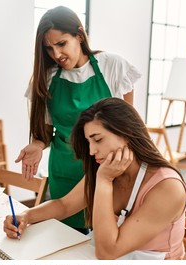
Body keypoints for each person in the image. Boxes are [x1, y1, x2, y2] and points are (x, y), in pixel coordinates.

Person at [5, 98, 186, 260]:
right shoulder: (107, 169)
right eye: (89, 142)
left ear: (126, 134)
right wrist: (26, 216)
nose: (92, 151)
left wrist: (104, 182)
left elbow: (107, 252)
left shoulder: (168, 188)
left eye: (98, 140)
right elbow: (65, 205)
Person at [15, 6, 141, 233]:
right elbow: (44, 132)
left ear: (79, 35)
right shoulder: (47, 77)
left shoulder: (112, 66)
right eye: (49, 48)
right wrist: (36, 145)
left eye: (61, 44)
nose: (56, 54)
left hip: (108, 170)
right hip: (65, 170)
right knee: (64, 237)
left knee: (104, 239)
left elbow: (131, 128)